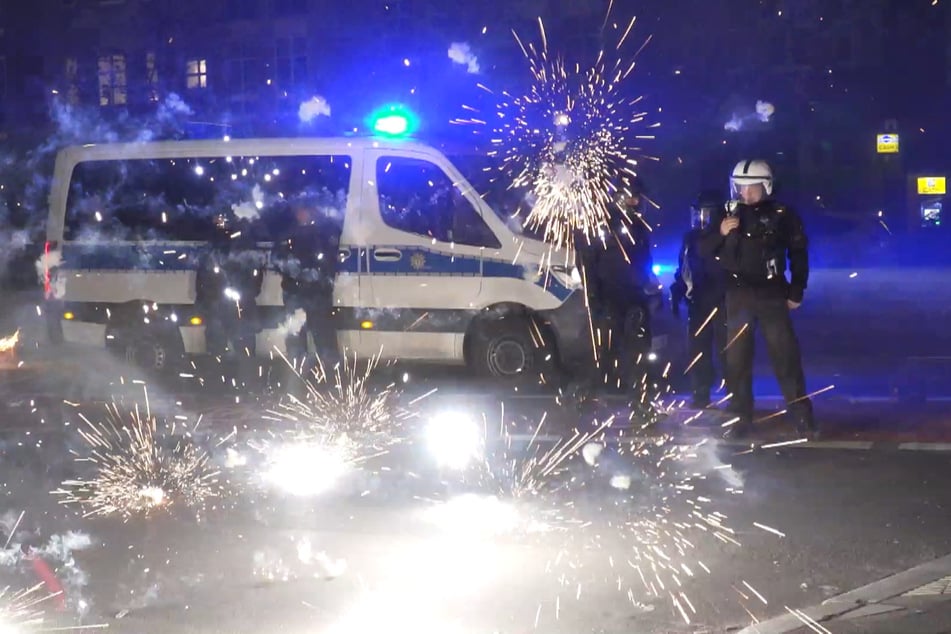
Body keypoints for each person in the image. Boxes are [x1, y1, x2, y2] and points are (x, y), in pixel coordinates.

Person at [697, 160, 818, 438]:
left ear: (766, 186)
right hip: (737, 295)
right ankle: (740, 417)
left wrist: (797, 290)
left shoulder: (782, 214)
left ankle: (801, 416)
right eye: (740, 187)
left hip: (771, 292)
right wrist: (721, 232)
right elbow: (702, 249)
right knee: (737, 361)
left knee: (785, 357)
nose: (745, 194)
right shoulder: (726, 213)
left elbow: (799, 253)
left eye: (751, 187)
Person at [580, 178, 658, 392]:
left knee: (638, 348)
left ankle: (639, 396)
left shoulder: (640, 227)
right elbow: (588, 263)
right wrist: (593, 298)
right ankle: (593, 394)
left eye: (637, 198)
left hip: (634, 297)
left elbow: (644, 260)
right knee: (604, 350)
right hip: (609, 296)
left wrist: (648, 289)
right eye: (631, 197)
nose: (635, 202)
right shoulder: (603, 225)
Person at [670, 190, 728, 409]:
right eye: (698, 213)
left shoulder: (726, 235)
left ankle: (734, 396)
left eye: (705, 214)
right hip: (698, 301)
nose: (700, 219)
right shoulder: (690, 237)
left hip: (723, 301)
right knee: (698, 351)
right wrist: (678, 288)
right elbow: (684, 268)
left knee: (728, 351)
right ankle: (700, 394)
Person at [195, 213, 264, 381]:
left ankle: (243, 385)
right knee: (218, 348)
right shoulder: (214, 243)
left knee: (242, 348)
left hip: (237, 304)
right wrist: (205, 297)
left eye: (220, 219)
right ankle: (220, 385)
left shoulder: (242, 242)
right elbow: (203, 274)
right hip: (218, 304)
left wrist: (247, 292)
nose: (217, 221)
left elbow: (255, 273)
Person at [273, 197, 341, 365]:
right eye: (299, 211)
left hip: (317, 293)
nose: (301, 214)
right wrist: (290, 269)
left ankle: (330, 372)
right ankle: (298, 370)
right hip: (294, 292)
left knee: (323, 333)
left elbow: (331, 260)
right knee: (296, 335)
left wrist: (318, 275)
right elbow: (276, 258)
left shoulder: (324, 233)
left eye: (304, 210)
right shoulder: (288, 234)